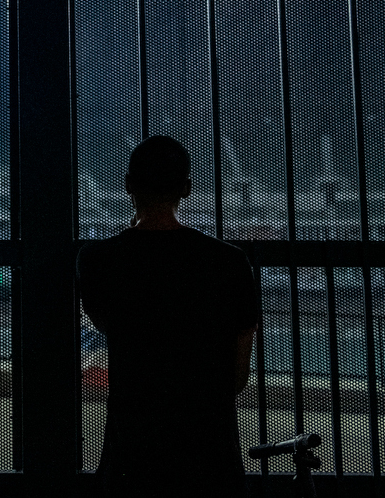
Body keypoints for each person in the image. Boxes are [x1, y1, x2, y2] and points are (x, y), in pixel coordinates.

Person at [76, 136, 260, 495]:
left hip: (134, 437)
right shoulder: (229, 262)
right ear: (187, 189)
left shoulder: (98, 260)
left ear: (128, 184)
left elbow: (105, 323)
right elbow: (239, 371)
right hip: (209, 439)